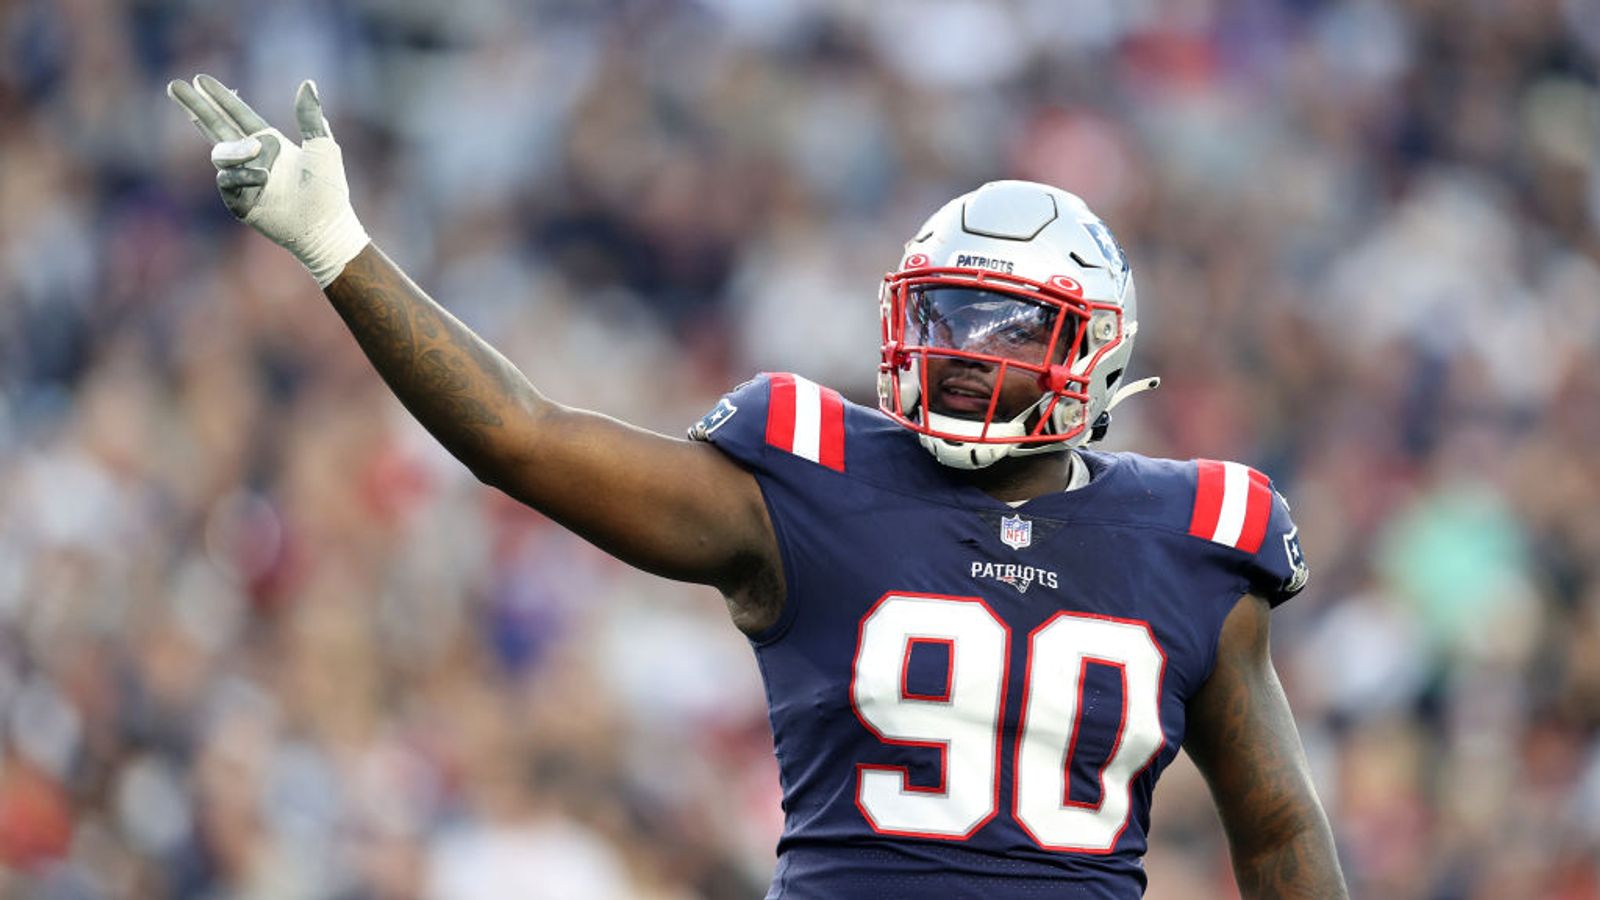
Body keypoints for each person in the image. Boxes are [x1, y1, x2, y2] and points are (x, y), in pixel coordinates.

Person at [168, 74, 1349, 899]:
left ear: (1095, 348)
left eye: (1007, 324)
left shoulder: (1189, 539)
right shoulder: (808, 485)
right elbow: (523, 440)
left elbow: (1280, 829)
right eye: (943, 312)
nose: (965, 347)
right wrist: (339, 247)